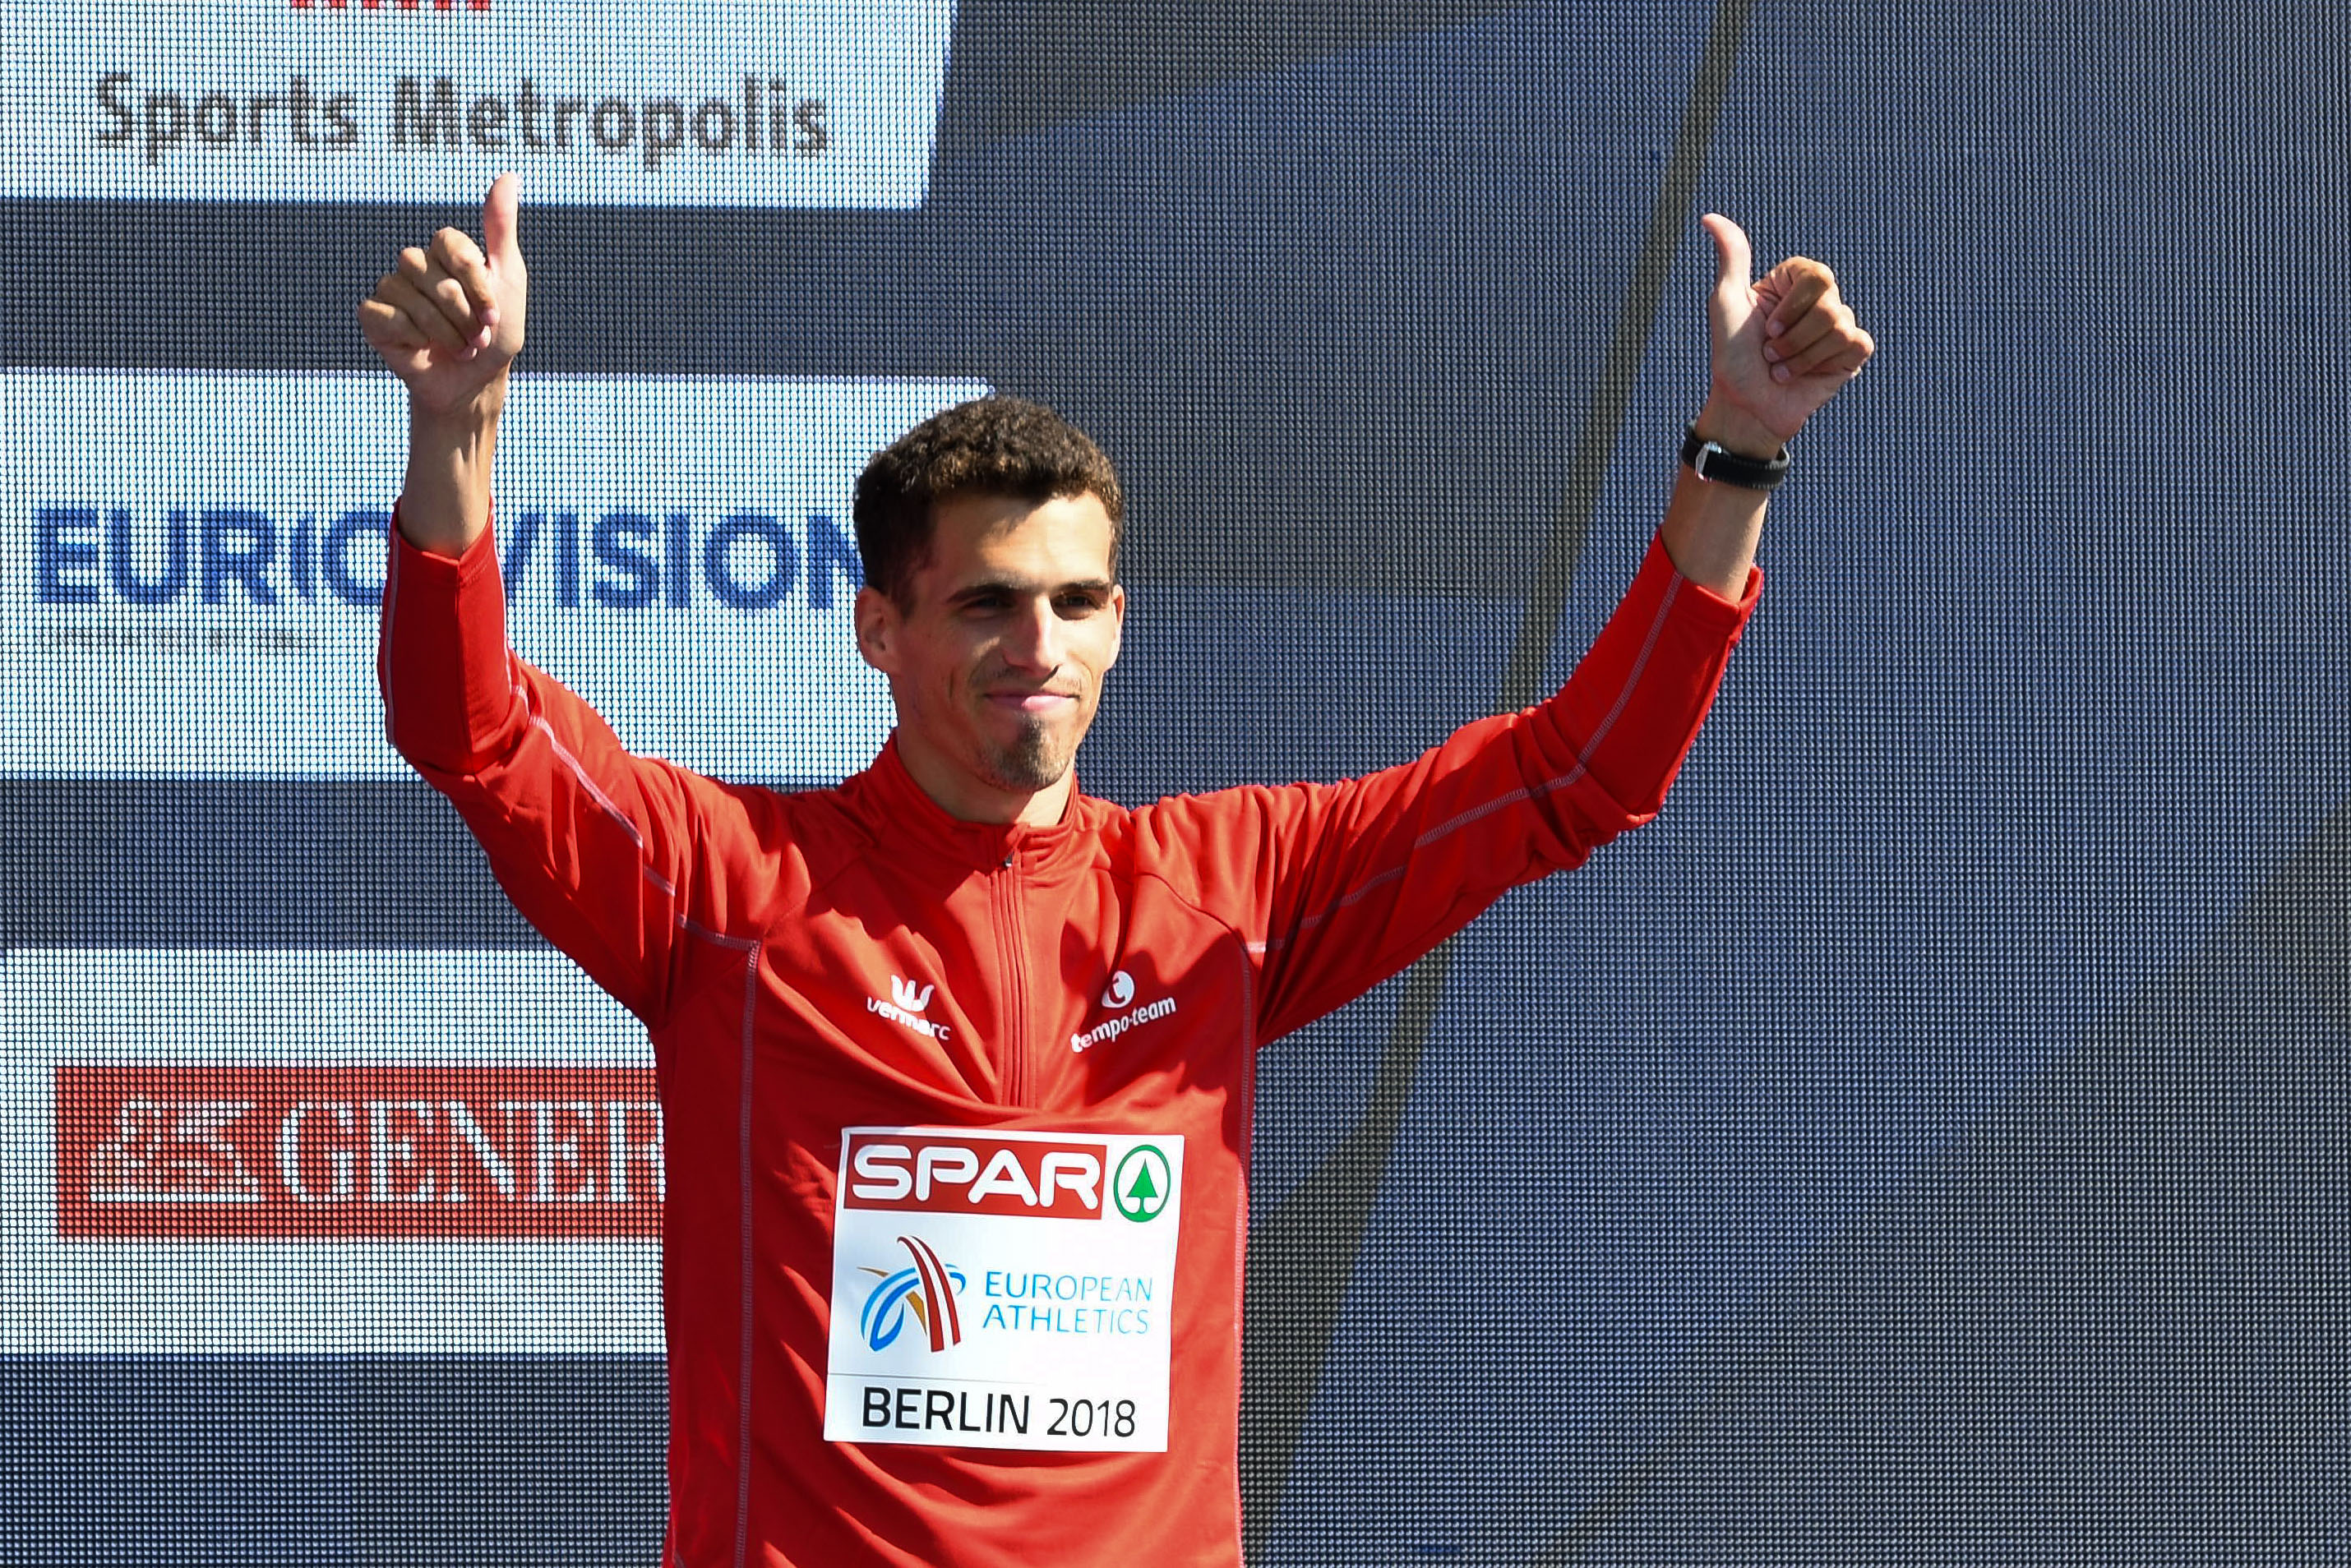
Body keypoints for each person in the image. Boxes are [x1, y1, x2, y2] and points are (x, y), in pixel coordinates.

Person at [359, 173, 1871, 1568]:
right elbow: (474, 730)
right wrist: (459, 433)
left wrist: (1740, 452)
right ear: (883, 629)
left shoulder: (1228, 890)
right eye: (988, 604)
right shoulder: (732, 887)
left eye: (1077, 602)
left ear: (1119, 621)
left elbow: (1572, 779)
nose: (1039, 647)